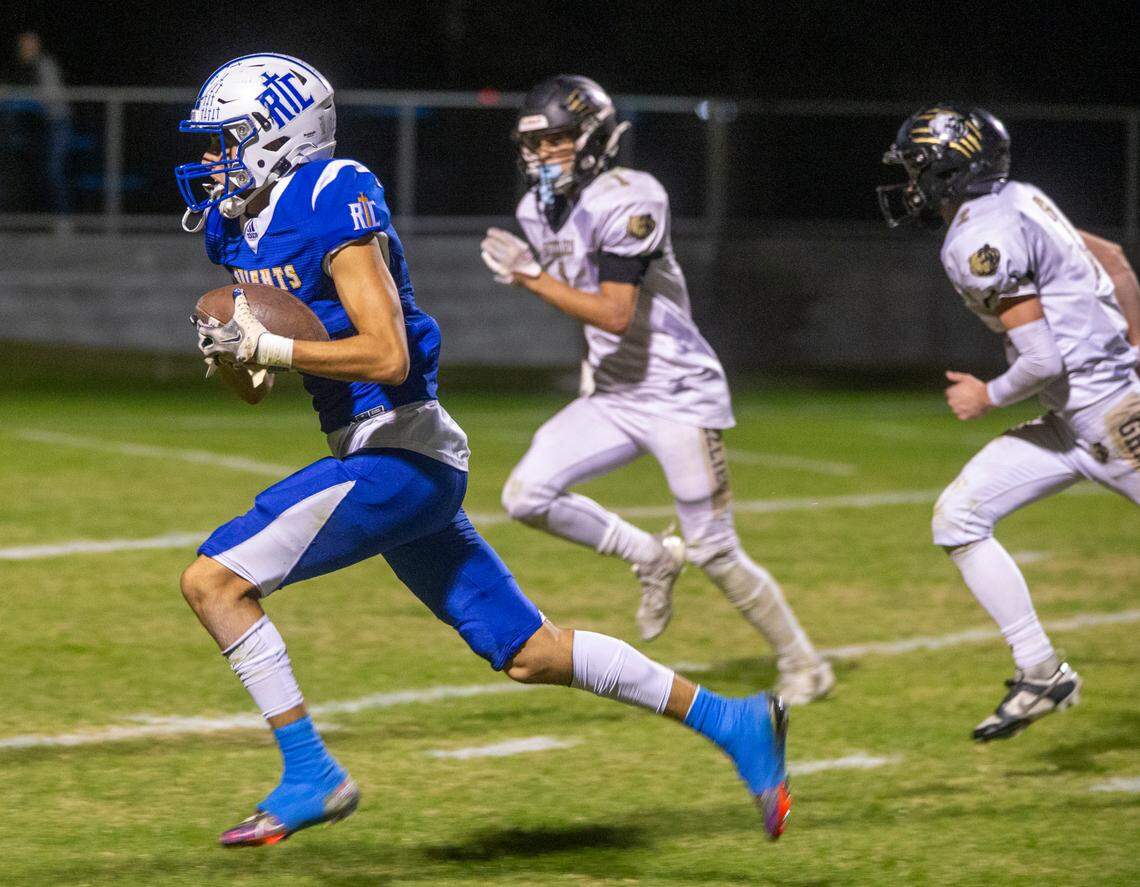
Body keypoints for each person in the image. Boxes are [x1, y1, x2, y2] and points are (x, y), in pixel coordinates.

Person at [175, 54, 791, 847]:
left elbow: (387, 354)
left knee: (213, 581)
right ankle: (735, 721)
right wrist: (233, 353)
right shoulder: (235, 226)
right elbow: (256, 390)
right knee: (532, 652)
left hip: (401, 450)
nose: (213, 158)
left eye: (226, 139)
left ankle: (311, 772)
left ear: (279, 134)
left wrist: (273, 348)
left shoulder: (331, 194)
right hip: (387, 456)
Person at [479, 75, 833, 706]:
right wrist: (587, 363)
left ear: (595, 138)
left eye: (558, 139)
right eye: (535, 142)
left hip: (677, 393)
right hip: (615, 394)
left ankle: (805, 663)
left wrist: (530, 277)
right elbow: (585, 303)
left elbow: (615, 312)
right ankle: (649, 556)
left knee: (715, 550)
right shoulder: (536, 209)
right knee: (526, 495)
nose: (543, 154)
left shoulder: (631, 197)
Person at [878, 103, 1140, 741]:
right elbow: (1112, 259)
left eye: (917, 168)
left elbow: (1043, 358)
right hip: (1072, 419)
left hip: (1110, 414)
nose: (911, 183)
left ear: (948, 170)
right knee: (958, 518)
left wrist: (986, 396)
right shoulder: (1021, 197)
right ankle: (1042, 671)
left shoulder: (977, 240)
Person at [2, 32, 70, 214]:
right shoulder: (22, 68)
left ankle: (63, 218)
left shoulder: (45, 65)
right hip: (38, 125)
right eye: (22, 47)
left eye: (29, 46)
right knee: (33, 171)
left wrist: (12, 96)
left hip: (57, 123)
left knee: (52, 171)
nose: (24, 50)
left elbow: (46, 97)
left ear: (36, 47)